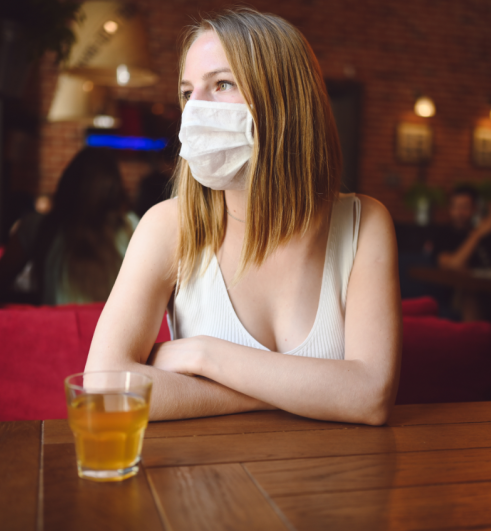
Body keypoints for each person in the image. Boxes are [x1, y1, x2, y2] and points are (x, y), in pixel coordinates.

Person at [85, 9, 401, 426]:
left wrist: (205, 355)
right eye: (187, 92)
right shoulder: (167, 226)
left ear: (284, 100)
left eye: (221, 84)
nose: (195, 110)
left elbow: (370, 396)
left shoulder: (367, 223)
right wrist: (303, 393)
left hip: (333, 485)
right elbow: (105, 387)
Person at [0, 148, 139, 304]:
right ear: (114, 189)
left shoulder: (36, 226)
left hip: (55, 328)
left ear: (67, 183)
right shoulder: (132, 226)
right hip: (112, 328)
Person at [433, 184, 491, 270]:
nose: (459, 212)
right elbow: (454, 266)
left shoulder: (487, 234)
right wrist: (478, 234)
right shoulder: (443, 233)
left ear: (474, 208)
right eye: (455, 207)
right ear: (450, 209)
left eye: (465, 207)